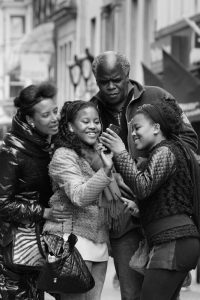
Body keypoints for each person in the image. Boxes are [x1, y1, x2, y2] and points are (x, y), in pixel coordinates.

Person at [91, 50, 198, 300]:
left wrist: (143, 168)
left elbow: (189, 140)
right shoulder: (92, 110)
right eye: (102, 82)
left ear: (127, 74)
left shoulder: (157, 96)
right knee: (132, 294)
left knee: (163, 292)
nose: (110, 87)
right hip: (124, 215)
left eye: (116, 80)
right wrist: (113, 176)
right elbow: (87, 157)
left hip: (163, 210)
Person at [43, 100, 118, 300]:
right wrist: (106, 170)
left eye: (96, 121)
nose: (93, 126)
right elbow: (79, 196)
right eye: (85, 121)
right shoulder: (63, 156)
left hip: (98, 241)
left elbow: (108, 197)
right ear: (69, 126)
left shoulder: (99, 154)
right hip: (71, 240)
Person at [0, 82, 67, 299]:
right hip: (13, 250)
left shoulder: (48, 147)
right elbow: (2, 203)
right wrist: (42, 212)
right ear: (30, 119)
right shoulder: (11, 152)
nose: (54, 118)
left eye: (55, 111)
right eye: (46, 115)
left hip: (39, 245)